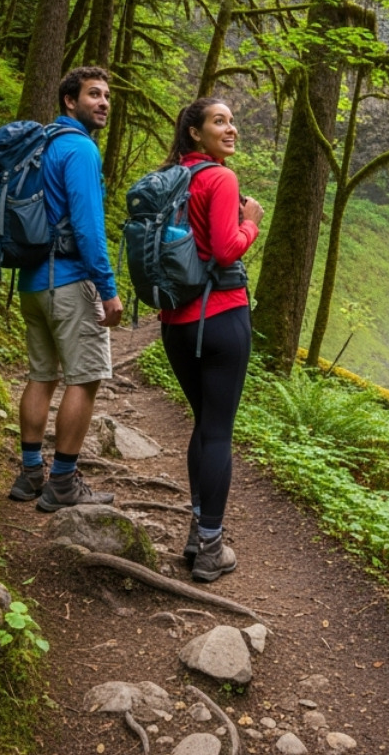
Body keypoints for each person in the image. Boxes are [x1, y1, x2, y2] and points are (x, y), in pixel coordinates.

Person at [8, 66, 124, 511]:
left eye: (107, 96)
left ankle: (30, 473)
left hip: (33, 283)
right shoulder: (79, 149)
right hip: (70, 282)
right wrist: (107, 288)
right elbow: (89, 227)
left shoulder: (40, 144)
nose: (103, 102)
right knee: (86, 376)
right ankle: (62, 483)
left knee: (42, 374)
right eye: (94, 94)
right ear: (69, 101)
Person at [158, 98, 262, 582]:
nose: (231, 128)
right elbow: (225, 250)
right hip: (221, 318)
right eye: (219, 121)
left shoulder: (173, 178)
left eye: (232, 120)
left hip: (176, 323)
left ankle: (197, 531)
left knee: (204, 424)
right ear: (195, 132)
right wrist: (251, 222)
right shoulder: (220, 178)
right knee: (218, 431)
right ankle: (211, 548)